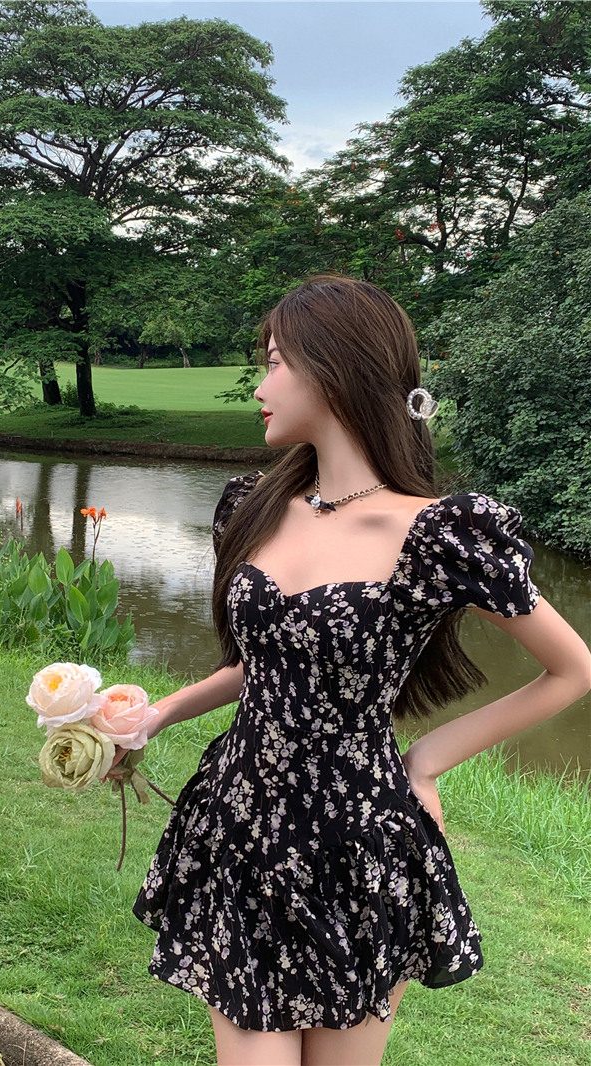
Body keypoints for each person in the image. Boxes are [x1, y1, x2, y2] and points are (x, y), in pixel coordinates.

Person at [129, 274, 591, 1066]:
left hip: (361, 841)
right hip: (243, 823)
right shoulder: (253, 507)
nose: (260, 386)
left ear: (335, 369)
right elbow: (266, 667)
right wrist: (156, 714)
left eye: (276, 363)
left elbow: (572, 669)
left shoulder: (437, 535)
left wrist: (428, 759)